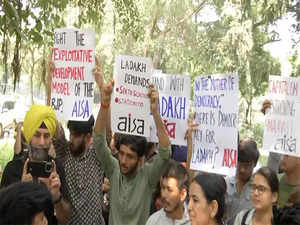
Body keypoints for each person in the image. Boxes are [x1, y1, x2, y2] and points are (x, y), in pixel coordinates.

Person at [93, 76, 171, 225]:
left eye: (130, 156)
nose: (123, 160)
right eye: (121, 153)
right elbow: (98, 142)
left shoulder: (148, 176)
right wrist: (104, 104)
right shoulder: (114, 169)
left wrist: (155, 112)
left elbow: (165, 152)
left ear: (141, 160)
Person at [47, 61, 106, 225]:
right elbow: (51, 119)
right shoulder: (65, 153)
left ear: (88, 137)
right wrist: (50, 82)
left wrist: (101, 86)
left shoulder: (98, 156)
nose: (71, 139)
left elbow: (106, 126)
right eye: (71, 134)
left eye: (76, 135)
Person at [0, 104, 71, 225]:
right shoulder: (12, 170)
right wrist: (22, 192)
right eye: (37, 135)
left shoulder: (56, 169)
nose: (42, 142)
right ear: (28, 137)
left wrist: (57, 197)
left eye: (47, 136)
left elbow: (65, 220)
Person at [225, 138, 260, 225]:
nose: (242, 169)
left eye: (247, 165)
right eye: (239, 163)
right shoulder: (226, 183)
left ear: (255, 163)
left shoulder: (258, 188)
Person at [146, 160, 190, 225]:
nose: (163, 195)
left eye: (169, 190)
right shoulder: (153, 221)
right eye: (163, 188)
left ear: (182, 194)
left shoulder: (194, 221)